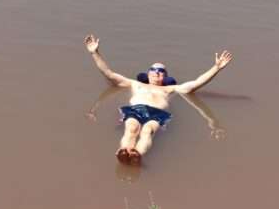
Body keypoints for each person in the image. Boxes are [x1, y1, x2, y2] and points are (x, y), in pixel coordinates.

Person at [84, 34, 233, 165]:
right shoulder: (135, 84)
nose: (156, 73)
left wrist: (216, 68)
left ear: (165, 77)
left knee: (147, 130)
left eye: (161, 72)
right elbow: (109, 74)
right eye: (153, 70)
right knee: (131, 128)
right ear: (148, 74)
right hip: (136, 109)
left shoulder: (170, 89)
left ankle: (138, 154)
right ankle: (124, 151)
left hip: (157, 113)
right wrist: (95, 53)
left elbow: (196, 83)